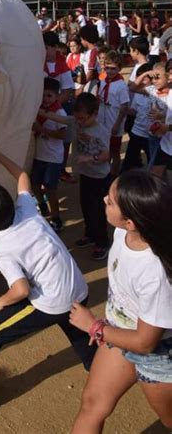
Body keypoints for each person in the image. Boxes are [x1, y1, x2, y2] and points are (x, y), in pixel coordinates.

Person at [0, 128, 94, 417]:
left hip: (53, 301)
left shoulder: (1, 246)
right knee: (77, 328)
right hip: (77, 287)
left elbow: (21, 289)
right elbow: (22, 176)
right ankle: (98, 365)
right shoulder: (26, 208)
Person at [69, 170, 172, 433]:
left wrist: (94, 327)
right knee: (92, 404)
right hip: (120, 333)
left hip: (159, 355)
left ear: (130, 222)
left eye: (111, 201)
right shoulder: (121, 233)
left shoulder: (155, 273)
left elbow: (145, 342)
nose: (104, 199)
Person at [40, 93, 111, 261]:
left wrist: (88, 158)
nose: (79, 122)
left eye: (83, 119)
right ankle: (90, 234)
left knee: (99, 210)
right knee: (86, 206)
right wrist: (41, 111)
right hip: (85, 175)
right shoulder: (75, 121)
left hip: (99, 176)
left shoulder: (101, 131)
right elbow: (58, 118)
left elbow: (106, 155)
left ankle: (102, 241)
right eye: (77, 118)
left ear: (95, 114)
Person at [31, 77, 67, 231]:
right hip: (39, 155)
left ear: (57, 97)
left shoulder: (60, 112)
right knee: (34, 183)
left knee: (50, 188)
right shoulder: (37, 110)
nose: (45, 99)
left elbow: (63, 135)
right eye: (43, 95)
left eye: (49, 96)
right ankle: (42, 206)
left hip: (53, 157)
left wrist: (42, 130)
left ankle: (56, 218)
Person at [97, 50, 129, 177]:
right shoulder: (104, 80)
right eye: (107, 68)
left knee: (115, 151)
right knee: (104, 148)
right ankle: (105, 171)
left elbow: (124, 106)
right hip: (102, 121)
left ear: (119, 68)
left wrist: (117, 124)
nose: (109, 71)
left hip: (114, 121)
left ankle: (114, 175)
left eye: (113, 68)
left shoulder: (121, 85)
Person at [121, 64, 154, 171]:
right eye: (140, 77)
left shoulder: (155, 92)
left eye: (145, 78)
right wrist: (123, 110)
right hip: (137, 132)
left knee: (154, 165)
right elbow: (134, 111)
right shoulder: (138, 93)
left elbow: (132, 87)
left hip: (151, 135)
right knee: (127, 163)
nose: (142, 81)